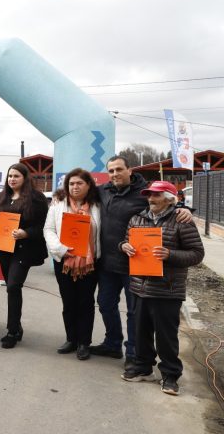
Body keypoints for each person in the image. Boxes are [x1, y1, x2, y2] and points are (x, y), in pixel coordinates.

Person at [91, 156, 193, 367]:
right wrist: (58, 197)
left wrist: (184, 210)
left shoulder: (144, 192)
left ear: (130, 170)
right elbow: (79, 195)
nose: (115, 174)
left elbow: (166, 204)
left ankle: (133, 353)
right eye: (111, 171)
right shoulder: (102, 191)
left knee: (134, 313)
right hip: (108, 263)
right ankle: (112, 344)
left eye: (119, 169)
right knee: (105, 305)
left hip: (136, 264)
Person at [119, 181, 204, 395]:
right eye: (149, 195)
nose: (151, 199)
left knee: (166, 336)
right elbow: (125, 242)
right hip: (139, 287)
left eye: (156, 195)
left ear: (169, 198)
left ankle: (170, 375)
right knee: (141, 332)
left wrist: (170, 254)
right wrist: (124, 246)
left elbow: (196, 253)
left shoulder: (181, 220)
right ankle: (143, 368)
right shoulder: (137, 218)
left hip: (167, 289)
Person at [0, 163, 48, 348]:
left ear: (25, 178)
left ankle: (12, 331)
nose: (12, 179)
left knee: (13, 286)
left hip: (24, 250)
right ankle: (17, 326)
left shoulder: (36, 199)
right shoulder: (1, 197)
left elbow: (42, 226)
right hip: (4, 249)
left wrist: (26, 233)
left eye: (16, 176)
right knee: (11, 288)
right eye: (10, 176)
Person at [43, 168, 101, 360]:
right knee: (68, 302)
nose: (75, 187)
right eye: (71, 183)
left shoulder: (98, 205)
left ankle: (84, 342)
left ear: (89, 185)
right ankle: (71, 339)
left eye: (79, 183)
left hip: (89, 263)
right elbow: (48, 229)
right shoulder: (58, 204)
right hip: (64, 261)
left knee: (85, 302)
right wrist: (59, 248)